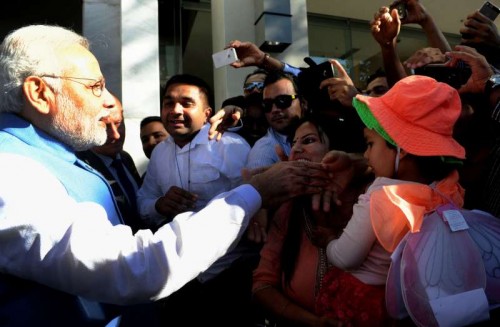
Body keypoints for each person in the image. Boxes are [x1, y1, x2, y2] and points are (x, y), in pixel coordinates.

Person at [0, 24, 335, 327]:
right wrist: (248, 194)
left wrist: (257, 205)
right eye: (95, 86)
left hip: (228, 278)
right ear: (40, 93)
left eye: (186, 103)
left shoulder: (233, 146)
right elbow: (133, 265)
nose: (106, 103)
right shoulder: (11, 171)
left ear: (206, 113)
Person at [313, 75, 467, 326]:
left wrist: (329, 240)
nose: (365, 155)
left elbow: (345, 257)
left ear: (402, 149)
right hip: (406, 308)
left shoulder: (381, 194)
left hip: (363, 303)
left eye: (370, 144)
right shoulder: (443, 192)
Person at [252, 116, 369, 327]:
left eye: (307, 141)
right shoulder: (288, 210)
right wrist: (314, 322)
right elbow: (262, 285)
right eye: (293, 143)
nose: (295, 150)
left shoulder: (372, 200)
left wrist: (361, 163)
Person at [77, 98, 145, 234]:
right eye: (105, 127)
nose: (116, 134)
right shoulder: (80, 166)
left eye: (119, 123)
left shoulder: (125, 158)